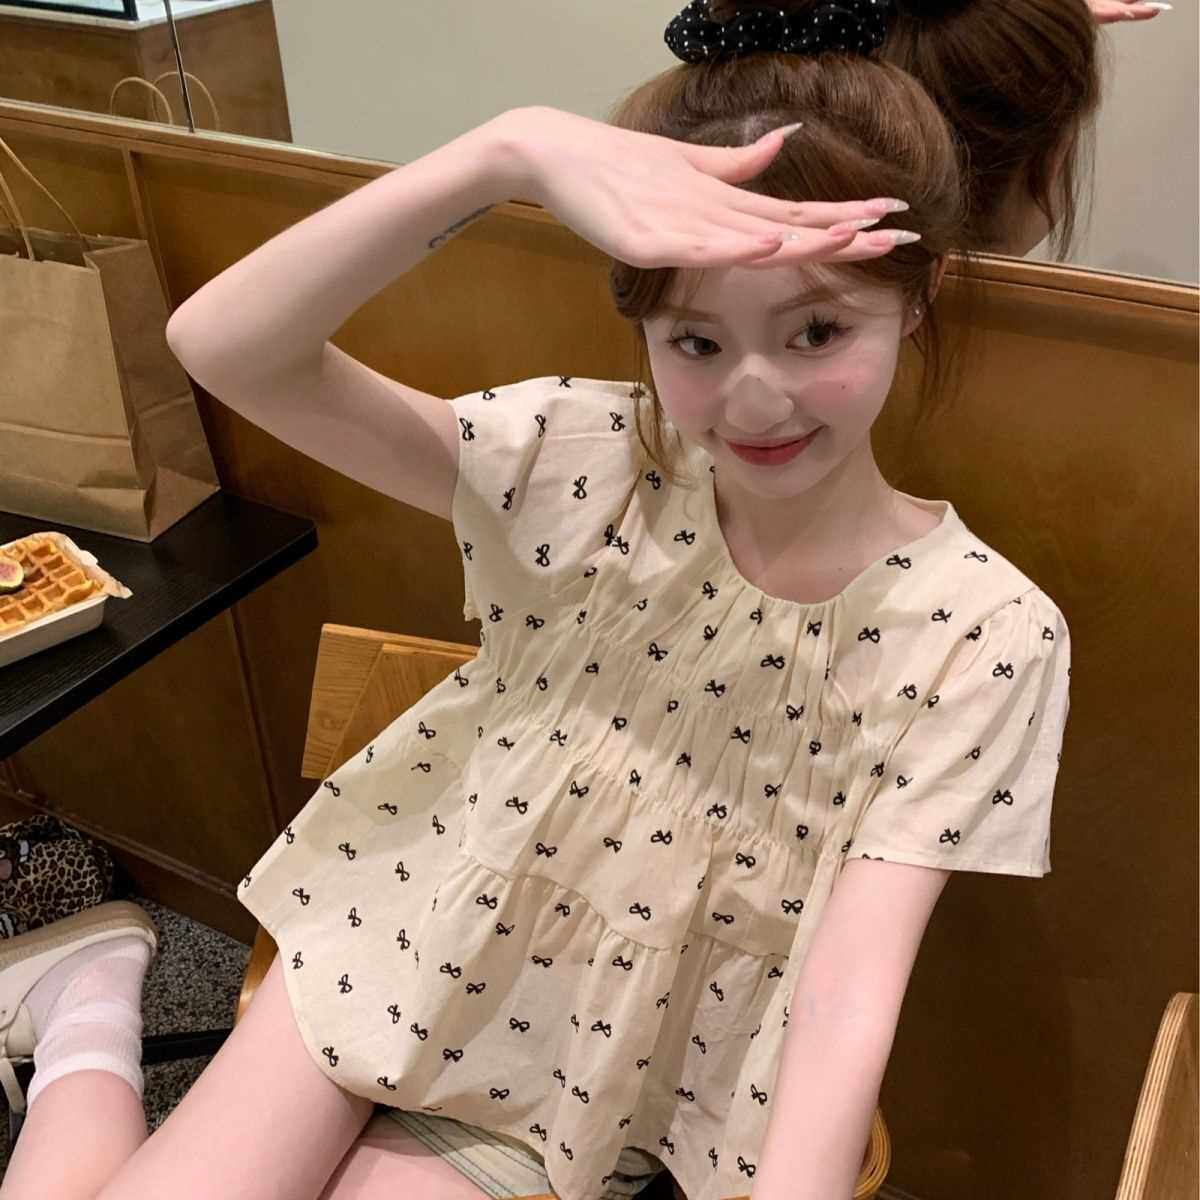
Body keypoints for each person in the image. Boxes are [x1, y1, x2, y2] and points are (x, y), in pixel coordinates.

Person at [0, 1, 1165, 1198]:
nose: (754, 397)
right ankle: (89, 1000)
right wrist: (504, 151)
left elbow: (848, 992)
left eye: (817, 330)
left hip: (591, 1068)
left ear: (916, 299)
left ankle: (82, 1002)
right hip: (399, 926)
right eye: (695, 341)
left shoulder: (977, 630)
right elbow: (224, 344)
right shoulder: (589, 462)